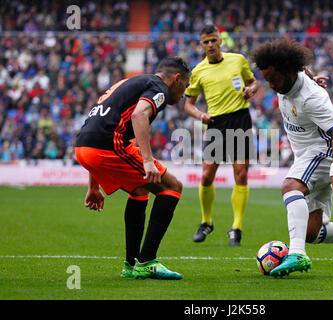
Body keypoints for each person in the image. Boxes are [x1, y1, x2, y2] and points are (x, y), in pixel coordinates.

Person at [250, 38, 333, 277]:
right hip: (306, 156)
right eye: (266, 80)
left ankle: (297, 254)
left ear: (288, 72)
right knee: (312, 232)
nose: (270, 85)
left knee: (290, 187)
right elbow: (302, 69)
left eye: (273, 79)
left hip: (322, 152)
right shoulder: (290, 79)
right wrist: (312, 76)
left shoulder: (311, 98)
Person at [75, 56, 190, 280]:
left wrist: (94, 185)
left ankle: (131, 265)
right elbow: (139, 115)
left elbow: (98, 124)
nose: (183, 93)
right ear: (176, 79)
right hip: (107, 145)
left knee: (139, 191)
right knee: (172, 187)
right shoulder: (159, 88)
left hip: (84, 146)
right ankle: (146, 262)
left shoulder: (131, 83)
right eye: (185, 86)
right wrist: (147, 160)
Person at [184, 24, 260, 246]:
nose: (210, 45)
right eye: (206, 42)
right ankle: (206, 222)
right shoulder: (198, 71)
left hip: (240, 120)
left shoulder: (237, 60)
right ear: (201, 44)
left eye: (213, 40)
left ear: (220, 41)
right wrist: (200, 115)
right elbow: (188, 104)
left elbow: (253, 81)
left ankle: (236, 227)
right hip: (216, 123)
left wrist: (251, 90)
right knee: (207, 175)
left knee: (241, 174)